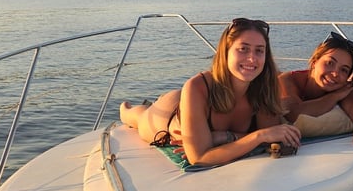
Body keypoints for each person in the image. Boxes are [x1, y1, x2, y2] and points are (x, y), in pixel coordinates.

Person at [120, 17, 301, 166]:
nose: (252, 58)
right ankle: (125, 109)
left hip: (191, 103)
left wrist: (224, 136)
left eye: (259, 51)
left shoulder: (262, 87)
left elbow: (271, 135)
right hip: (167, 117)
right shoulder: (197, 86)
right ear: (225, 52)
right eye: (243, 49)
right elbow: (199, 157)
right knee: (137, 118)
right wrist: (257, 136)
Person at [278, 31, 353, 147]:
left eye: (344, 70)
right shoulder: (287, 79)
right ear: (315, 62)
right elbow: (293, 113)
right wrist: (334, 97)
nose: (335, 73)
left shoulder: (341, 88)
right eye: (330, 63)